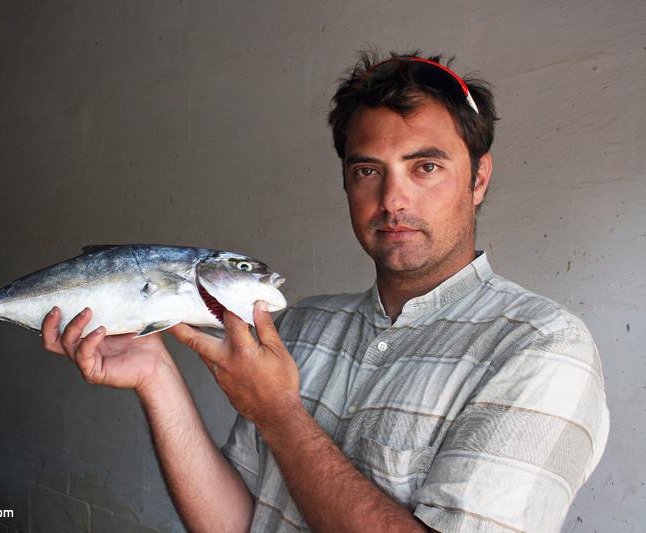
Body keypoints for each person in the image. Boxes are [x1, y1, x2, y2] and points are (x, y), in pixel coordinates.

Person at [39, 51, 609, 532]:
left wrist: (280, 415)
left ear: (479, 178)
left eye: (426, 167)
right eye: (367, 171)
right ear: (346, 182)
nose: (392, 199)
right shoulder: (301, 326)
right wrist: (155, 378)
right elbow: (236, 522)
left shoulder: (541, 347)